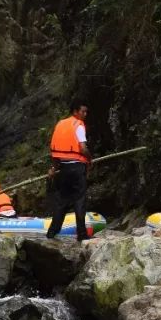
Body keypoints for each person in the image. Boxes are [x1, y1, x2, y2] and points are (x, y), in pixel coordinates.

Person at [46, 100, 92, 240]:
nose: (84, 114)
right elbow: (83, 148)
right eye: (82, 111)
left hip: (64, 170)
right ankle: (82, 235)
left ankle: (51, 233)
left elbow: (55, 152)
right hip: (77, 169)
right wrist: (90, 159)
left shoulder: (60, 124)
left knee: (62, 202)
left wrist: (54, 167)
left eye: (86, 112)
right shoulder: (78, 125)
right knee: (79, 201)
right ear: (75, 111)